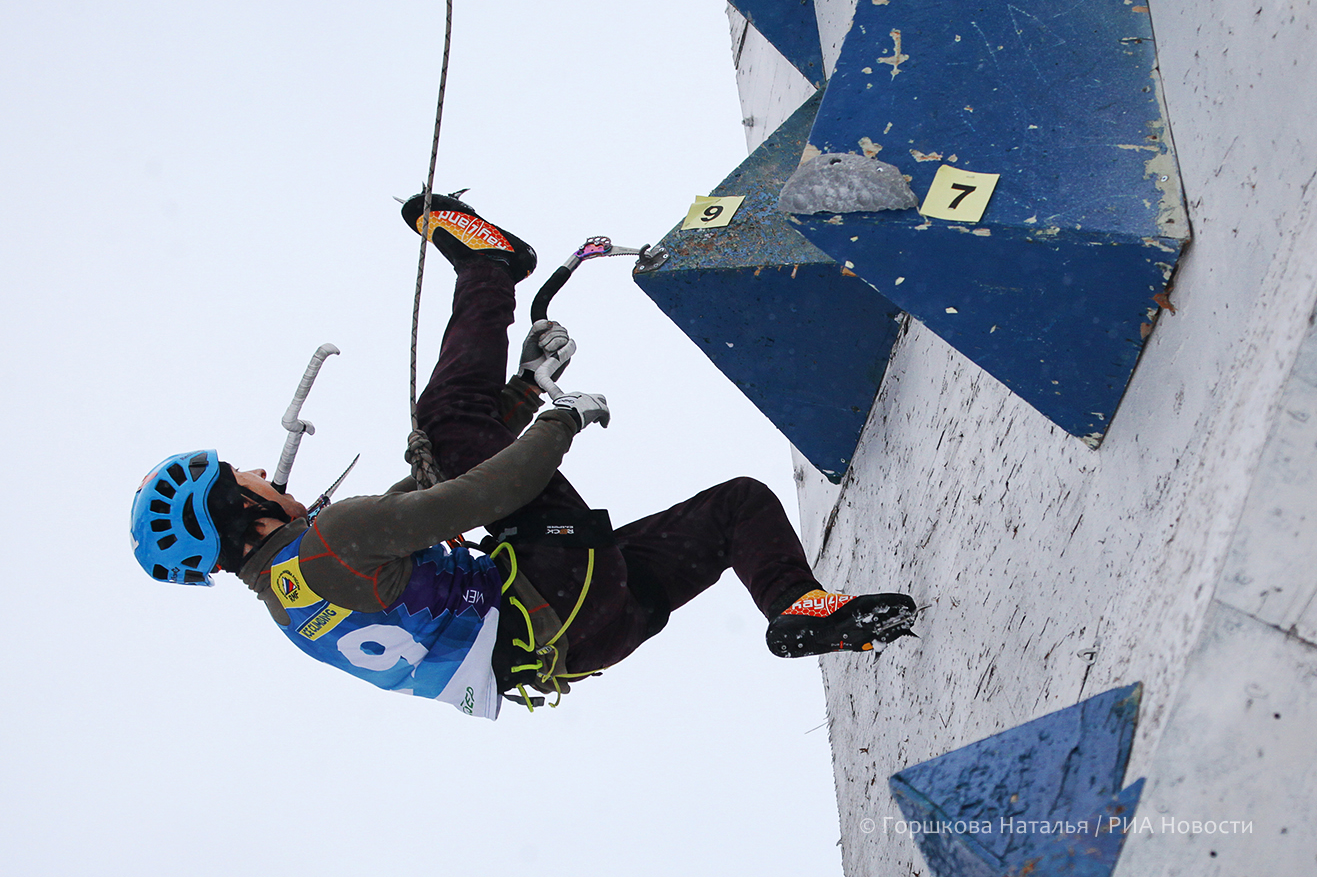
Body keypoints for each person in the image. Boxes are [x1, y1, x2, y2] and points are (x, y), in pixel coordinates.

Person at [129, 192, 916, 719]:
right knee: (445, 417)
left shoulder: (297, 607)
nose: (264, 473)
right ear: (238, 510)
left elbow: (447, 486)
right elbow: (472, 497)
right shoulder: (336, 541)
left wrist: (523, 392)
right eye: (245, 477)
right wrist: (559, 420)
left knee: (735, 508)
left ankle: (798, 608)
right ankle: (489, 265)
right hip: (555, 587)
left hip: (585, 636)